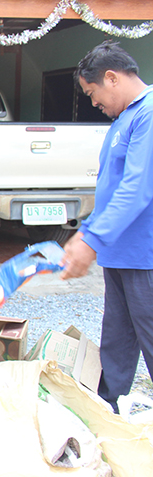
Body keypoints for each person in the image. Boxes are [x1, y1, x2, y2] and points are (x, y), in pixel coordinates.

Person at [62, 41, 153, 413]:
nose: (93, 103)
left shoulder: (148, 114)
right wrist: (86, 232)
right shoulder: (123, 121)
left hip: (145, 254)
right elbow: (111, 189)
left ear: (111, 78)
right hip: (120, 254)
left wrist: (93, 239)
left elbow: (137, 187)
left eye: (93, 93)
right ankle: (107, 408)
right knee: (117, 336)